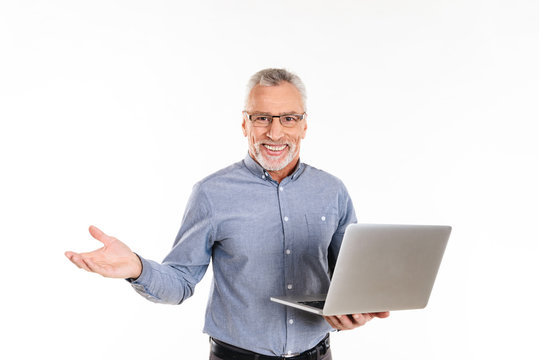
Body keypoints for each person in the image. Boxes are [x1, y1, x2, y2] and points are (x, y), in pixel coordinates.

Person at [65, 68, 390, 360]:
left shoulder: (332, 191)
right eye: (262, 118)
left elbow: (351, 280)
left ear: (304, 125)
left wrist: (356, 310)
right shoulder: (211, 193)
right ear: (244, 123)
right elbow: (179, 281)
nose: (275, 133)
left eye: (288, 118)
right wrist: (137, 268)